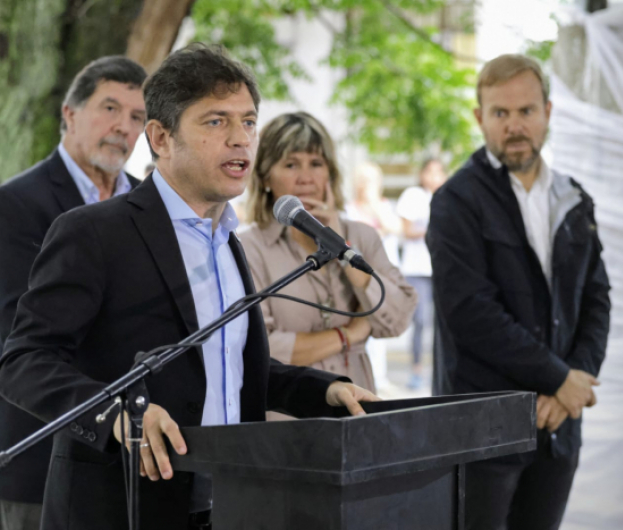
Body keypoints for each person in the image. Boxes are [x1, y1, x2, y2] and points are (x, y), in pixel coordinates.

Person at [0, 44, 376, 530]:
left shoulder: (226, 239)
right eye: (216, 122)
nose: (240, 139)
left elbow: (231, 367)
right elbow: (24, 361)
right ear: (160, 138)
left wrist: (323, 391)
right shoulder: (93, 231)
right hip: (122, 504)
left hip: (229, 502)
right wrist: (116, 415)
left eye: (248, 122)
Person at [426, 54, 610, 530]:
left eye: (526, 111)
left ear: (548, 112)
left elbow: (596, 300)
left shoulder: (574, 198)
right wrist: (556, 379)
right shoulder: (456, 201)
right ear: (479, 118)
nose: (514, 126)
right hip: (482, 427)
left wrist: (574, 381)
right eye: (500, 113)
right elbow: (471, 314)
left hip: (559, 427)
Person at [0, 55, 147, 530]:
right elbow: (20, 334)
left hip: (136, 465)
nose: (122, 126)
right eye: (109, 108)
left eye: (137, 117)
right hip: (41, 457)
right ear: (69, 113)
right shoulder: (17, 204)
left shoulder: (150, 204)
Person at [239, 112, 417, 405]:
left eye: (316, 164)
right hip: (288, 414)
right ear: (265, 177)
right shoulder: (250, 247)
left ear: (330, 174)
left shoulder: (362, 236)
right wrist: (350, 334)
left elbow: (396, 321)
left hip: (359, 407)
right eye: (291, 164)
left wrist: (344, 251)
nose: (306, 178)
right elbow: (262, 348)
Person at [345, 161, 402, 390]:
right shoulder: (349, 209)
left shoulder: (384, 206)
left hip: (380, 276)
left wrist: (373, 204)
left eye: (369, 180)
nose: (364, 184)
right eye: (361, 179)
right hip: (355, 277)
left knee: (378, 324)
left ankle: (378, 375)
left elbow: (394, 227)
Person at [396, 158, 447, 389]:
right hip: (417, 269)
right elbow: (407, 230)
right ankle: (416, 370)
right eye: (430, 172)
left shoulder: (448, 197)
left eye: (439, 172)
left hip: (441, 269)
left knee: (443, 321)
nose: (434, 177)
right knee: (420, 321)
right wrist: (433, 230)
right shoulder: (413, 196)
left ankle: (441, 367)